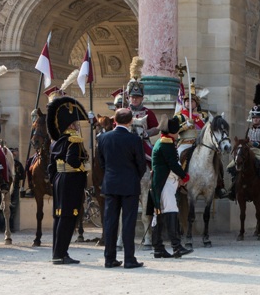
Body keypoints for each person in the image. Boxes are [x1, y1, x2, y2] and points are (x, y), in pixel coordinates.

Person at [98, 108, 146, 269]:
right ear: (131, 121)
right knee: (128, 222)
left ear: (114, 121)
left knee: (110, 221)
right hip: (129, 184)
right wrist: (135, 177)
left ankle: (109, 258)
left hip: (110, 183)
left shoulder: (103, 138)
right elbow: (141, 164)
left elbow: (101, 163)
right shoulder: (134, 139)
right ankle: (129, 259)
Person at [47, 96, 89, 265]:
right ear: (71, 125)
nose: (78, 126)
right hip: (71, 182)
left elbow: (51, 166)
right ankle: (61, 254)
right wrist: (82, 167)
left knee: (59, 216)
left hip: (58, 180)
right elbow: (73, 160)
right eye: (76, 124)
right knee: (68, 217)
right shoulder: (74, 140)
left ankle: (57, 252)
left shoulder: (57, 142)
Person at [151, 116, 192, 259]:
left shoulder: (165, 142)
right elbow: (173, 164)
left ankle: (158, 248)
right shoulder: (166, 144)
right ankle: (176, 246)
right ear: (172, 132)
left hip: (164, 182)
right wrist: (184, 176)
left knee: (160, 214)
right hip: (165, 183)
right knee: (171, 211)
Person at [226, 84, 260, 200]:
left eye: (257, 118)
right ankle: (233, 187)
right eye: (253, 118)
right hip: (248, 151)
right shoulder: (249, 129)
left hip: (259, 152)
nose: (254, 120)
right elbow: (246, 139)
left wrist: (256, 143)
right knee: (233, 164)